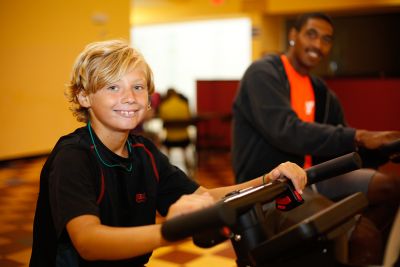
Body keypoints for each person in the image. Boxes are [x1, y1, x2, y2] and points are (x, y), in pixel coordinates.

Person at [29, 39, 307, 267]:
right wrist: (169, 232)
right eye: (113, 87)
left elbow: (204, 197)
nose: (129, 97)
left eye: (138, 87)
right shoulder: (72, 157)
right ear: (83, 96)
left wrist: (267, 179)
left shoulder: (143, 152)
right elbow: (88, 242)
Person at [232, 12, 400, 265]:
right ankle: (354, 240)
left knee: (390, 189)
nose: (318, 45)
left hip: (315, 176)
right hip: (272, 185)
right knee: (363, 236)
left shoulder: (321, 90)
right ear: (293, 36)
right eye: (311, 35)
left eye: (326, 39)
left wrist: (384, 149)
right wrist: (362, 136)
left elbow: (339, 142)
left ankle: (352, 248)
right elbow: (287, 131)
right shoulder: (263, 73)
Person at [158, 87, 194, 176]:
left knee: (162, 143)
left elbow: (162, 120)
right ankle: (190, 172)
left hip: (170, 140)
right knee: (186, 148)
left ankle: (167, 169)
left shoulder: (164, 106)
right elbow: (189, 117)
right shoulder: (184, 104)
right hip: (184, 139)